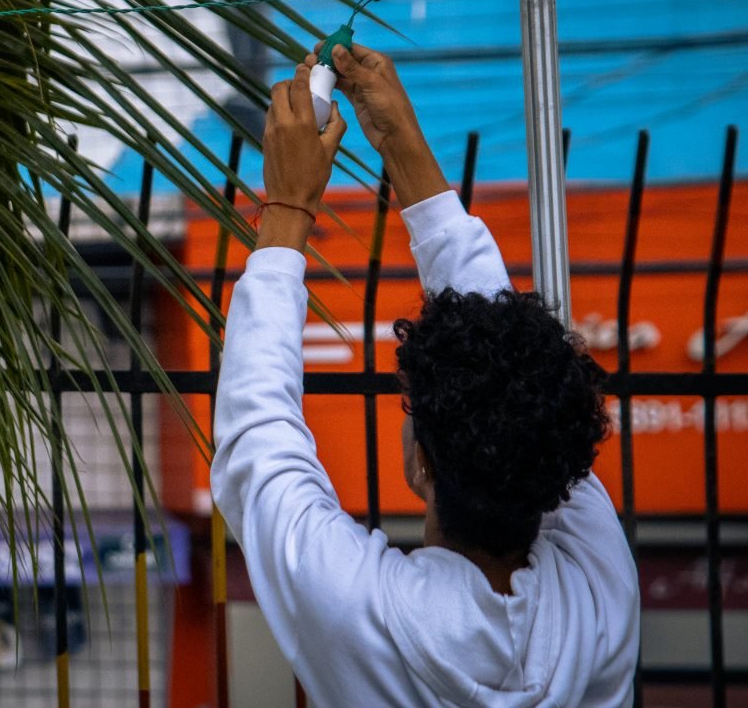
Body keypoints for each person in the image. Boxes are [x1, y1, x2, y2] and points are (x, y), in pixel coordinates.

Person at [209, 42, 640, 707]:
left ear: (419, 467)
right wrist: (400, 144)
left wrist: (293, 205)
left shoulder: (360, 610)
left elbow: (258, 439)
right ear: (566, 470)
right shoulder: (600, 595)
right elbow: (257, 440)